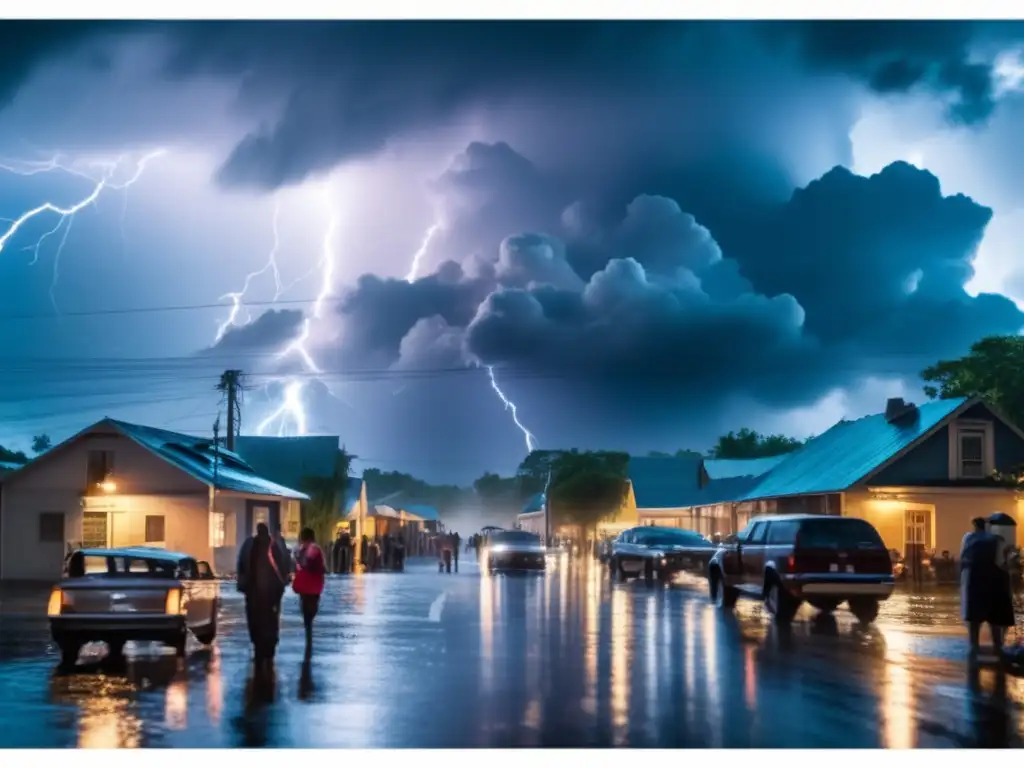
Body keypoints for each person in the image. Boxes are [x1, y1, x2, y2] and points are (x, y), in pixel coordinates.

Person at [237, 522, 290, 670]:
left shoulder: (249, 545)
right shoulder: (275, 546)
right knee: (271, 621)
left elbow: (242, 565)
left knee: (255, 621)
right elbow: (283, 566)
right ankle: (269, 650)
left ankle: (258, 649)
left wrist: (244, 586)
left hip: (253, 593)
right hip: (271, 594)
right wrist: (281, 587)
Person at [960, 517, 1015, 658]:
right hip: (995, 584)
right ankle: (998, 648)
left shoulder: (968, 538)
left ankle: (974, 649)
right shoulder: (997, 540)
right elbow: (1001, 563)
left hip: (974, 583)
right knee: (996, 620)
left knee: (974, 620)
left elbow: (963, 559)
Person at [293, 527, 326, 661]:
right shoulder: (311, 549)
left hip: (309, 585)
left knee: (308, 611)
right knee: (308, 611)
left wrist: (298, 557)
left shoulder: (312, 549)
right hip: (313, 586)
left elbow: (306, 563)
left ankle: (309, 638)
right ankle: (309, 634)